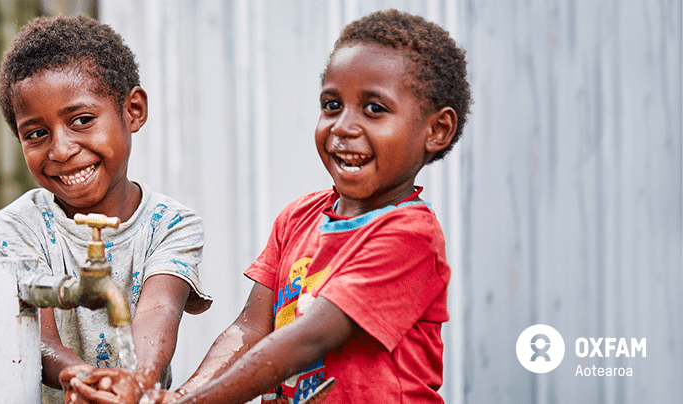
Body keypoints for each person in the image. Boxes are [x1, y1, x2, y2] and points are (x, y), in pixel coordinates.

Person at [138, 9, 472, 404]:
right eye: (332, 105)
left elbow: (307, 338)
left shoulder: (410, 236)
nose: (343, 127)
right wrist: (185, 395)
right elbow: (249, 330)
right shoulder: (298, 218)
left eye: (374, 109)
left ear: (436, 130)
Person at [0, 15, 213, 404]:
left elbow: (159, 310)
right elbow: (37, 340)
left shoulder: (172, 225)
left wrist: (132, 381)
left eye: (82, 120)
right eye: (37, 133)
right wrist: (84, 379)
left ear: (133, 110)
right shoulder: (19, 227)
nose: (60, 149)